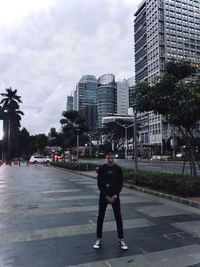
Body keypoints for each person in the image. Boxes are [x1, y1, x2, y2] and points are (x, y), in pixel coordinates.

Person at [93, 149, 128, 250]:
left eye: (112, 155)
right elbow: (99, 184)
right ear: (106, 157)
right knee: (100, 217)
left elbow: (120, 184)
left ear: (114, 157)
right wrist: (106, 196)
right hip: (104, 196)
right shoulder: (102, 169)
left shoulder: (118, 169)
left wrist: (115, 196)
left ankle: (121, 239)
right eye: (108, 155)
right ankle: (98, 239)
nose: (110, 157)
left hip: (115, 197)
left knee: (118, 218)